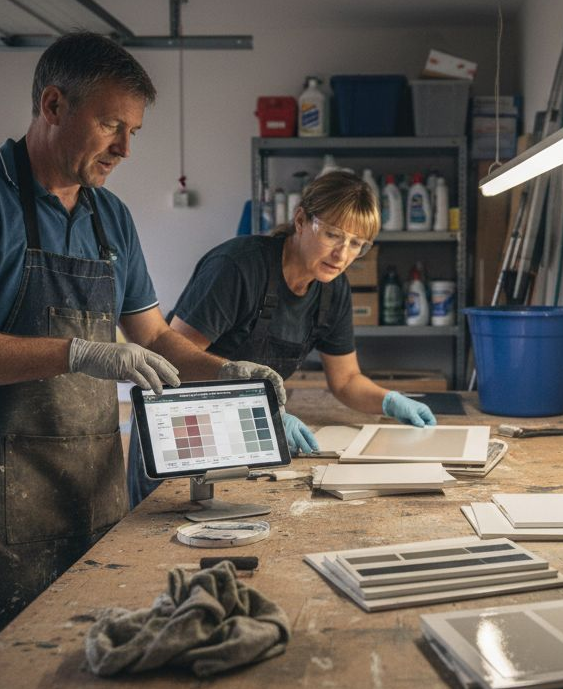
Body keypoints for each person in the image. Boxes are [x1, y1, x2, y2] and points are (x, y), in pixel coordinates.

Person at [0, 32, 281, 689]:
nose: (126, 148)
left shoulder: (113, 219)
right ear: (52, 104)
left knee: (91, 673)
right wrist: (77, 352)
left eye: (133, 130)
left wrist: (225, 372)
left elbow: (155, 337)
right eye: (110, 124)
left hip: (92, 488)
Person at [128, 171, 435, 505]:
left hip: (246, 430)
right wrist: (262, 408)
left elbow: (346, 380)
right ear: (300, 219)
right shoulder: (238, 267)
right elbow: (172, 364)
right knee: (166, 530)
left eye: (356, 245)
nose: (342, 254)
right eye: (333, 235)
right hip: (181, 428)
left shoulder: (333, 290)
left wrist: (388, 401)